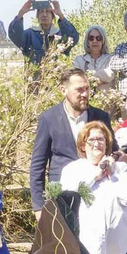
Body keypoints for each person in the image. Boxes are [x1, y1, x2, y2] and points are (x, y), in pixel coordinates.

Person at [59, 121, 127, 254]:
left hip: (118, 245)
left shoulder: (121, 168)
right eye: (92, 140)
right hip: (87, 243)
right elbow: (68, 196)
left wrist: (111, 173)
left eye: (101, 139)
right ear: (83, 145)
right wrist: (95, 175)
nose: (97, 144)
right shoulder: (73, 169)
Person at [29, 70, 111, 213]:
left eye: (87, 88)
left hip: (97, 195)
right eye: (79, 90)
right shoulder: (49, 119)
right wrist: (39, 207)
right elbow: (37, 166)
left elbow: (112, 151)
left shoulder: (100, 117)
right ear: (63, 90)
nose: (85, 94)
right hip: (62, 196)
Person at [8, 0, 78, 66]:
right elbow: (15, 36)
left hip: (58, 76)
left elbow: (73, 39)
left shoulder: (60, 35)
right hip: (35, 77)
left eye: (47, 11)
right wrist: (21, 13)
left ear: (53, 16)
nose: (44, 15)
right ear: (37, 16)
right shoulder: (30, 35)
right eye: (41, 12)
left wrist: (61, 16)